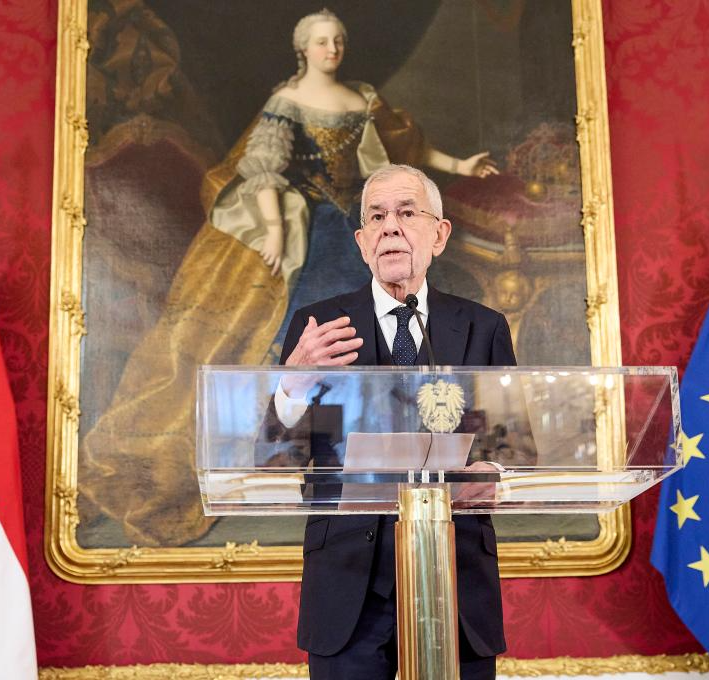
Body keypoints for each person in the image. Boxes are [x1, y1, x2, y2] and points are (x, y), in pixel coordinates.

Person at [80, 9, 498, 545]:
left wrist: (460, 167)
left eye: (338, 40)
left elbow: (405, 152)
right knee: (311, 331)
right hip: (312, 225)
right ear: (304, 49)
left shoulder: (362, 99)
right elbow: (263, 170)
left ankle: (380, 452)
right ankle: (314, 455)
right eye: (322, 42)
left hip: (352, 222)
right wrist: (276, 232)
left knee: (376, 337)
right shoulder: (287, 101)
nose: (332, 50)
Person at [275, 164, 515, 680]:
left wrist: (494, 473)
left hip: (455, 577)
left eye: (407, 213)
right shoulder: (318, 328)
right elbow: (277, 451)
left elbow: (510, 443)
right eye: (377, 217)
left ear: (439, 234)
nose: (390, 227)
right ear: (362, 242)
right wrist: (292, 382)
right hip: (348, 585)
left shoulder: (483, 327)